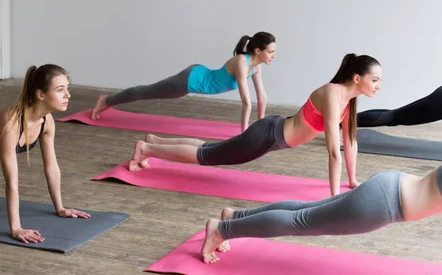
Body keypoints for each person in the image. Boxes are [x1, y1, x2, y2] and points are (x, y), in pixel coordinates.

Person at [198, 117, 442, 275]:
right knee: (300, 222)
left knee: (304, 213)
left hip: (388, 187)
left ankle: (236, 216)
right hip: (383, 204)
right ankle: (221, 229)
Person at [127, 54, 382, 196]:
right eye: (375, 80)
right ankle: (145, 150)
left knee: (212, 148)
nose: (378, 85)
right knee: (207, 155)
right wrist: (334, 196)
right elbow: (332, 150)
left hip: (270, 135)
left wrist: (352, 180)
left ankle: (155, 142)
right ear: (357, 77)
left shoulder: (348, 100)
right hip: (267, 136)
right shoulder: (332, 93)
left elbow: (349, 142)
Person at [91, 32, 276, 132]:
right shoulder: (242, 63)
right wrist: (244, 133)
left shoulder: (255, 66)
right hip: (189, 80)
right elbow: (246, 100)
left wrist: (260, 124)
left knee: (148, 91)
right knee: (147, 92)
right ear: (258, 50)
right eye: (271, 52)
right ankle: (106, 101)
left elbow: (262, 96)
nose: (273, 56)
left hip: (198, 75)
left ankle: (107, 101)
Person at [0, 64, 91, 244]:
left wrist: (60, 208)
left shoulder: (46, 121)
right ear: (41, 94)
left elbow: (51, 167)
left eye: (68, 89)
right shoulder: (12, 122)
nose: (68, 95)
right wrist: (16, 228)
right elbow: (11, 182)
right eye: (60, 90)